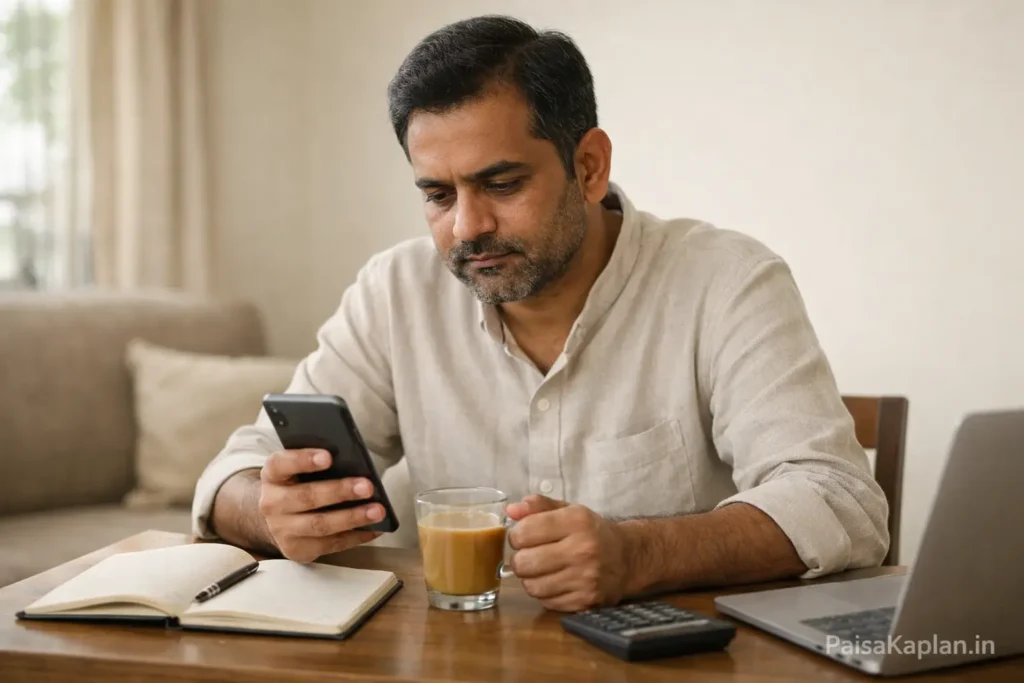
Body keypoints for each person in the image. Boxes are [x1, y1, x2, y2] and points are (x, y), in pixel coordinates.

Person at [192, 15, 888, 612]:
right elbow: (236, 473)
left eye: (500, 182)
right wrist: (269, 508)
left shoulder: (727, 281)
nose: (467, 226)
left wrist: (639, 553)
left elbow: (839, 500)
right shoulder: (394, 291)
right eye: (437, 194)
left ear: (588, 166)